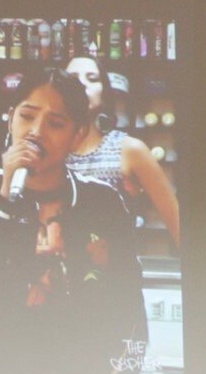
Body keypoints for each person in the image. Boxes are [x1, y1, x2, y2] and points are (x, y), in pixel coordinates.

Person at [0, 68, 149, 374]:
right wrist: (4, 199)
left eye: (55, 123)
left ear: (77, 134)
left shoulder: (103, 202)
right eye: (26, 116)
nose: (36, 131)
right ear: (10, 119)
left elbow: (129, 295)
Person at [64, 54, 181, 248]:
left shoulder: (129, 150)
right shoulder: (48, 150)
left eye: (92, 78)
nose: (82, 84)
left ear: (105, 94)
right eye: (73, 78)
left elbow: (180, 226)